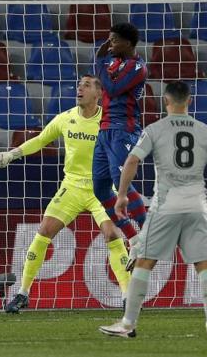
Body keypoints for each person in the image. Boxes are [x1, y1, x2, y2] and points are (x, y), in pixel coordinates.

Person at [98, 81, 207, 338]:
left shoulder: (154, 129)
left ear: (165, 102)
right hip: (196, 206)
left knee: (145, 262)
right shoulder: (206, 131)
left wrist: (122, 195)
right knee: (205, 264)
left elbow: (133, 159)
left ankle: (128, 324)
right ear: (189, 101)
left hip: (166, 206)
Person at [0, 75, 131, 313]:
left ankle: (127, 296)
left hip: (101, 187)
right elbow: (40, 140)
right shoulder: (65, 118)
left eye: (87, 85)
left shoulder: (109, 121)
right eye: (79, 84)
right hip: (72, 186)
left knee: (112, 234)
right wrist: (13, 154)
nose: (80, 88)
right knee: (44, 231)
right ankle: (22, 293)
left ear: (99, 93)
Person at [92, 22, 150, 270]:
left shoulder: (138, 67)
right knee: (100, 187)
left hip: (123, 129)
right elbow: (103, 79)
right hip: (104, 130)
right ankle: (134, 238)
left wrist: (100, 63)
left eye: (114, 40)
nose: (110, 44)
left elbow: (112, 88)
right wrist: (101, 60)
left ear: (127, 42)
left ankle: (149, 233)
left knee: (120, 180)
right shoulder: (113, 63)